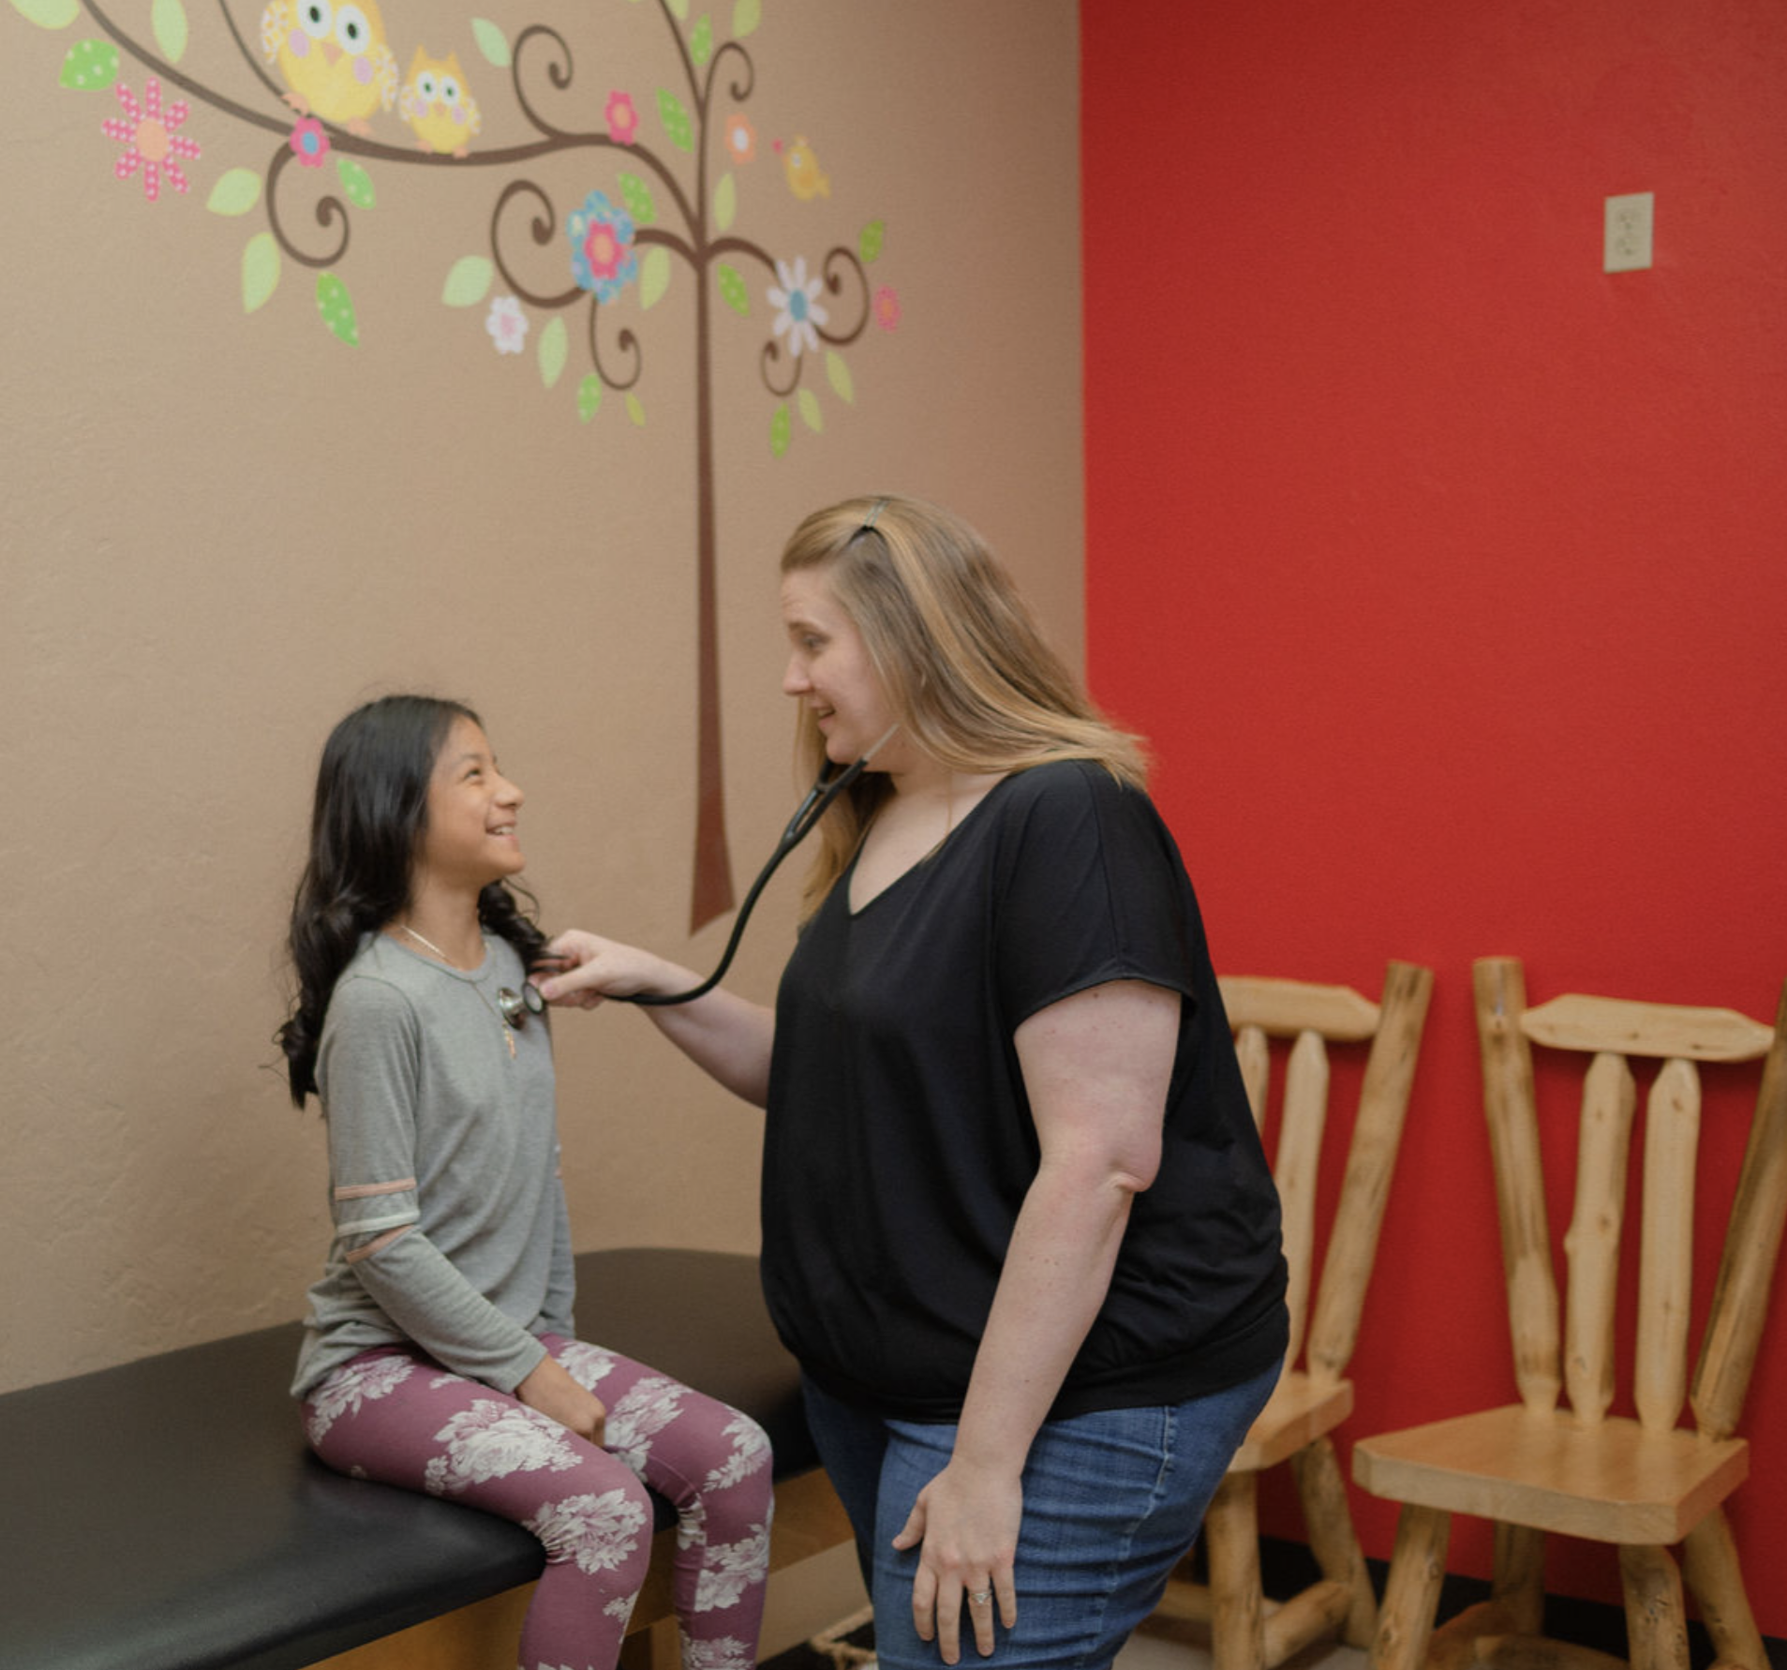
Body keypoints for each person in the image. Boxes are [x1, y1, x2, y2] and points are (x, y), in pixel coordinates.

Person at [538, 496, 1287, 1669]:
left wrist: (986, 1463)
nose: (792, 678)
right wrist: (652, 982)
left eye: (811, 640)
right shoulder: (877, 811)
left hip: (1080, 1394)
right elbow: (832, 1081)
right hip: (890, 1376)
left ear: (910, 637)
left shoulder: (1066, 816)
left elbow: (1100, 1161)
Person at [279, 694, 775, 1670]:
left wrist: (550, 1339)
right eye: (474, 773)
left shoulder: (511, 969)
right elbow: (381, 1239)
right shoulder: (378, 1000)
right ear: (397, 812)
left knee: (735, 1459)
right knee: (602, 1509)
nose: (510, 790)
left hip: (504, 1344)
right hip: (373, 1371)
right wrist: (529, 1372)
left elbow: (535, 1174)